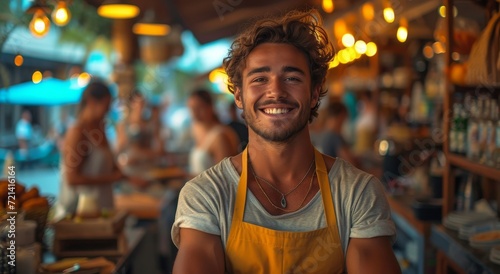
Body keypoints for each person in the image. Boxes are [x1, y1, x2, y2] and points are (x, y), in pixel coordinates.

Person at [172, 9, 400, 274]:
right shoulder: (206, 195)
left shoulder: (357, 193)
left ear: (314, 93)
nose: (276, 92)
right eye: (259, 79)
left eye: (292, 78)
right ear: (239, 97)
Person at [53, 81, 144, 221]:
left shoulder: (99, 130)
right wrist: (111, 179)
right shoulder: (77, 132)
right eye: (105, 106)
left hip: (103, 210)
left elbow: (112, 166)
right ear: (90, 101)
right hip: (80, 213)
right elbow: (72, 178)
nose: (107, 111)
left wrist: (129, 179)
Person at [187, 89, 239, 176]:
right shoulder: (198, 130)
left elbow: (224, 175)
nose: (194, 113)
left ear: (210, 107)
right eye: (191, 108)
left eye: (198, 107)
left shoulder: (220, 135)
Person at [115, 90, 164, 169]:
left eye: (142, 102)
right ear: (131, 103)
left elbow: (160, 149)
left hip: (148, 166)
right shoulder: (123, 125)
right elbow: (119, 148)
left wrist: (141, 154)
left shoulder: (151, 124)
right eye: (137, 102)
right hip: (129, 167)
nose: (140, 106)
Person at [318, 101, 360, 167]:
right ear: (341, 116)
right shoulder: (334, 136)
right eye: (345, 118)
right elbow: (351, 163)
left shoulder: (323, 133)